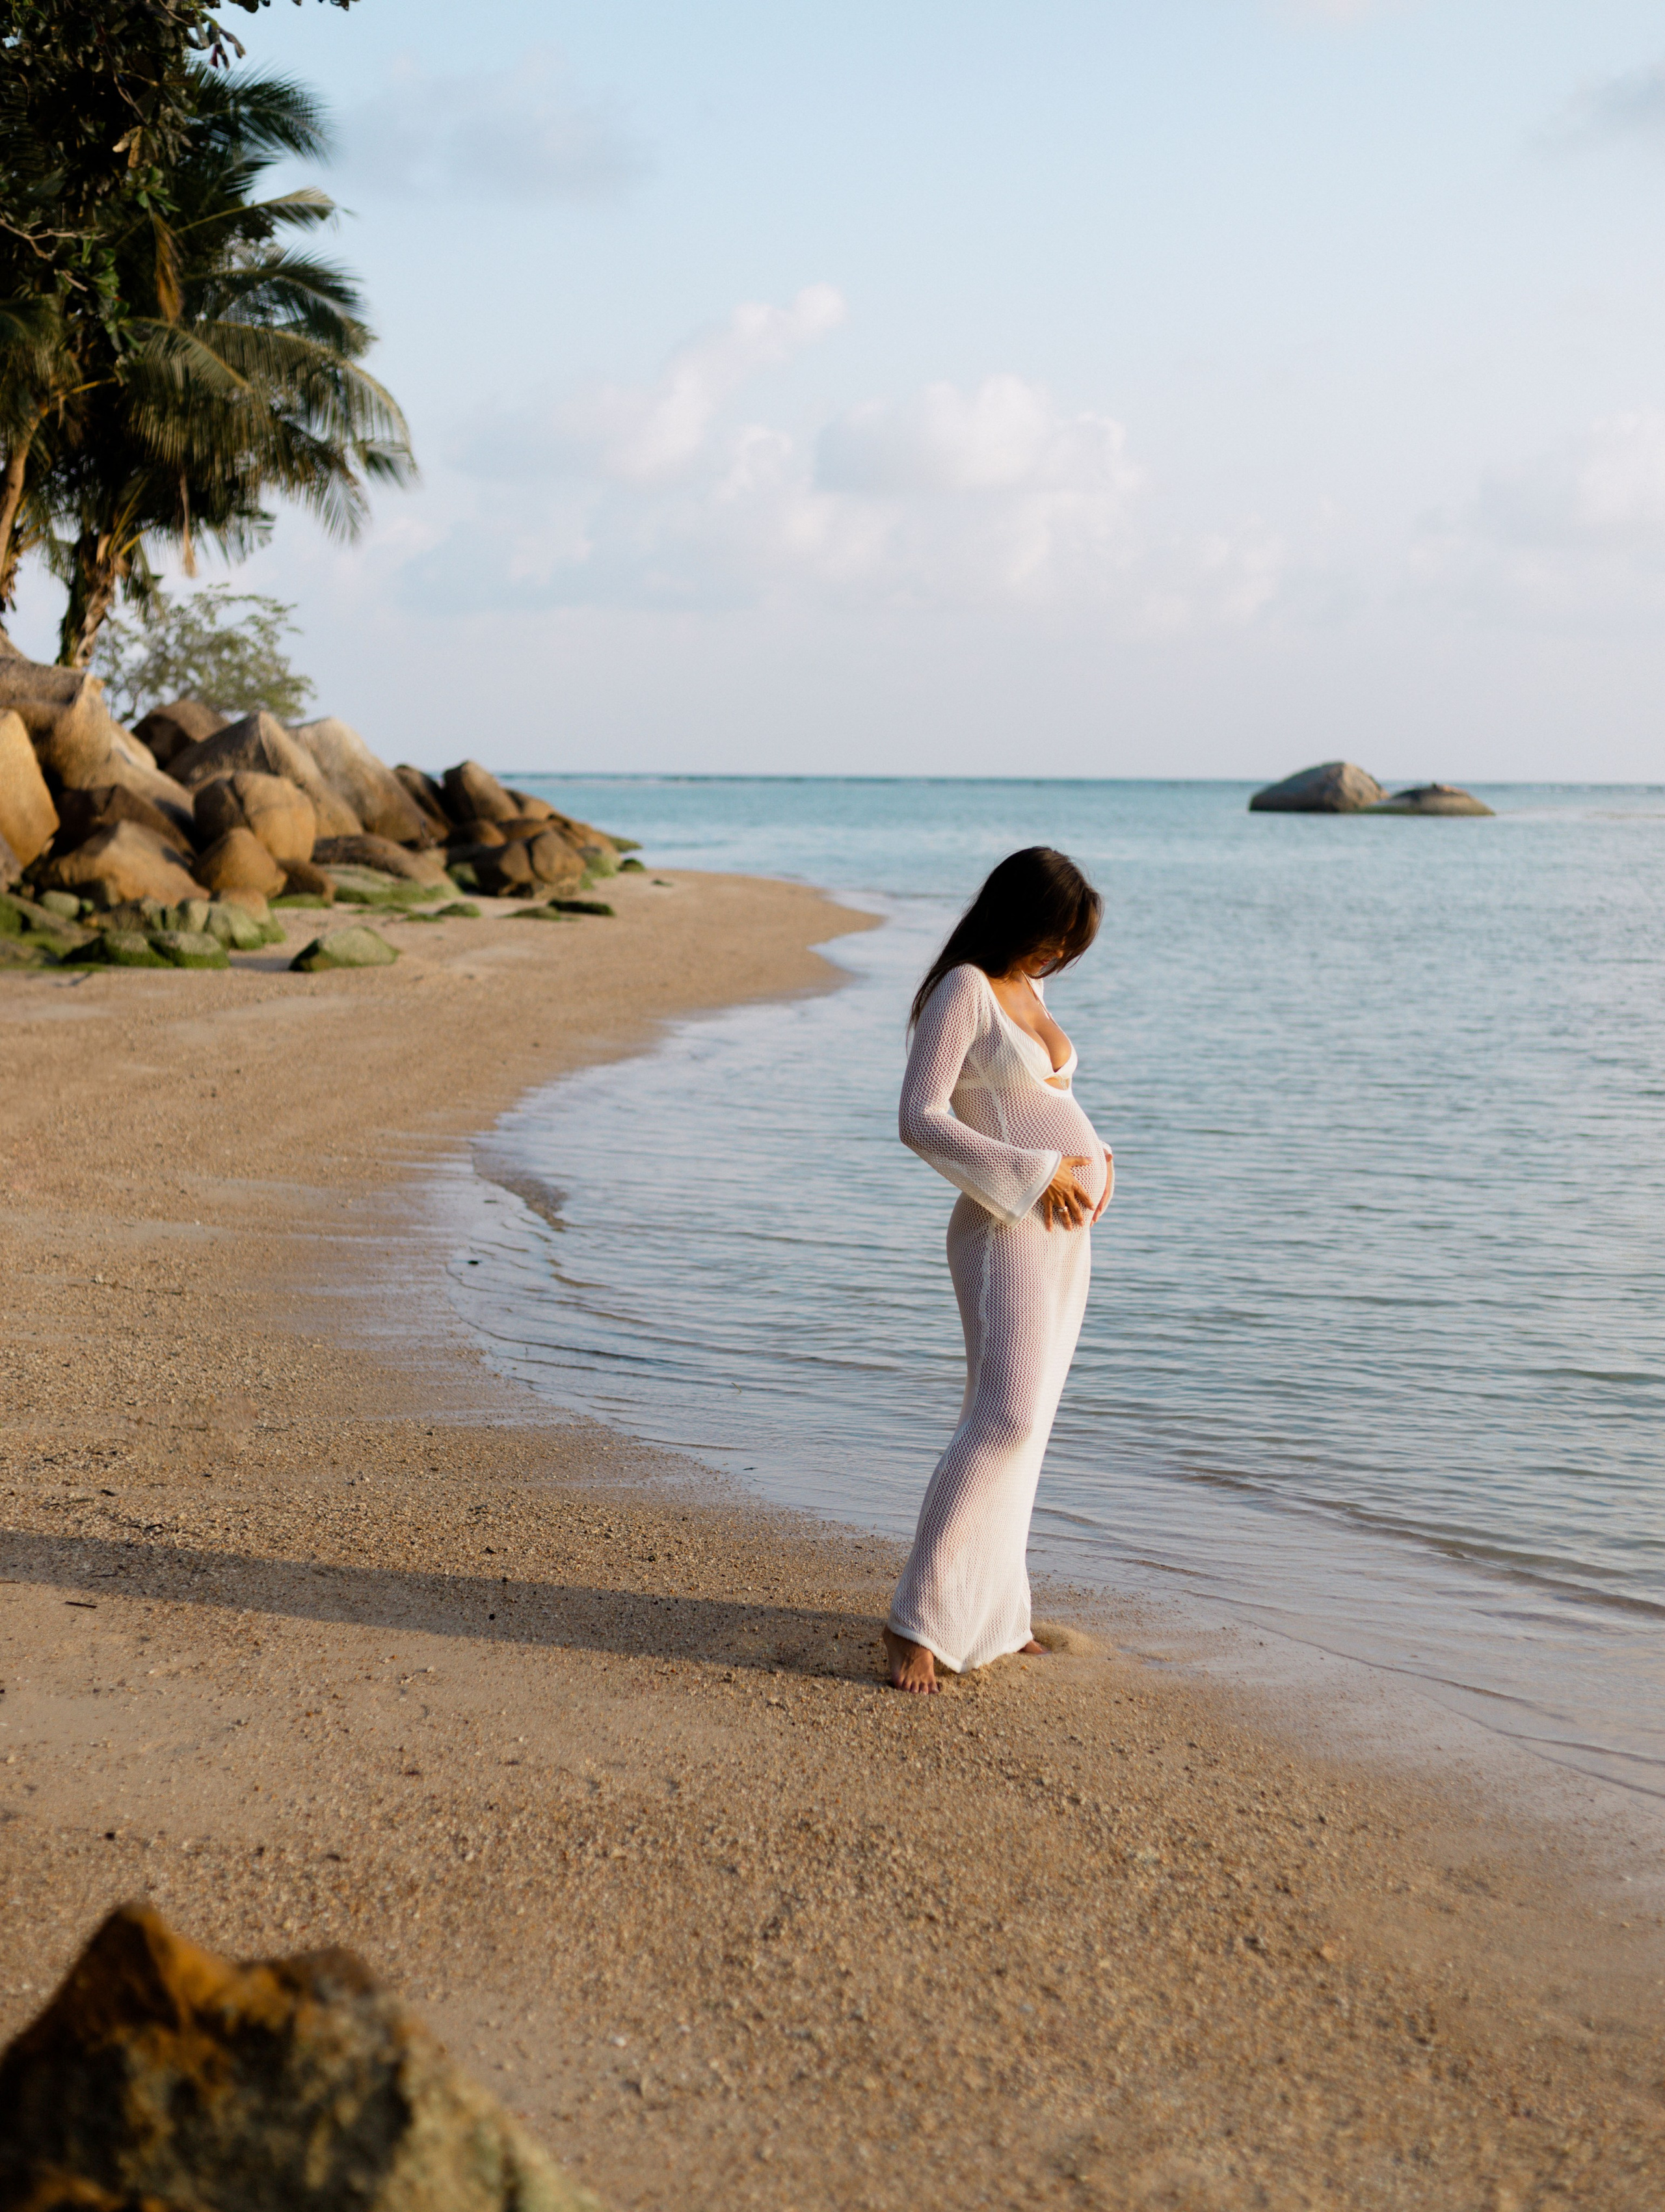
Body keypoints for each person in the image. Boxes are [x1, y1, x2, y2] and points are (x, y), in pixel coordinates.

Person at [884, 846, 1113, 1696]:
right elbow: (919, 1117)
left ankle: (996, 1616)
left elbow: (1047, 1100)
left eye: (1070, 945)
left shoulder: (1033, 986)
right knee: (1003, 1418)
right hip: (1005, 1228)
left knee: (1034, 1423)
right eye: (1055, 935)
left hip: (1064, 1236)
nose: (1059, 954)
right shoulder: (966, 990)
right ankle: (915, 1622)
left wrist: (1101, 1161)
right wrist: (1036, 1171)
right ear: (1019, 916)